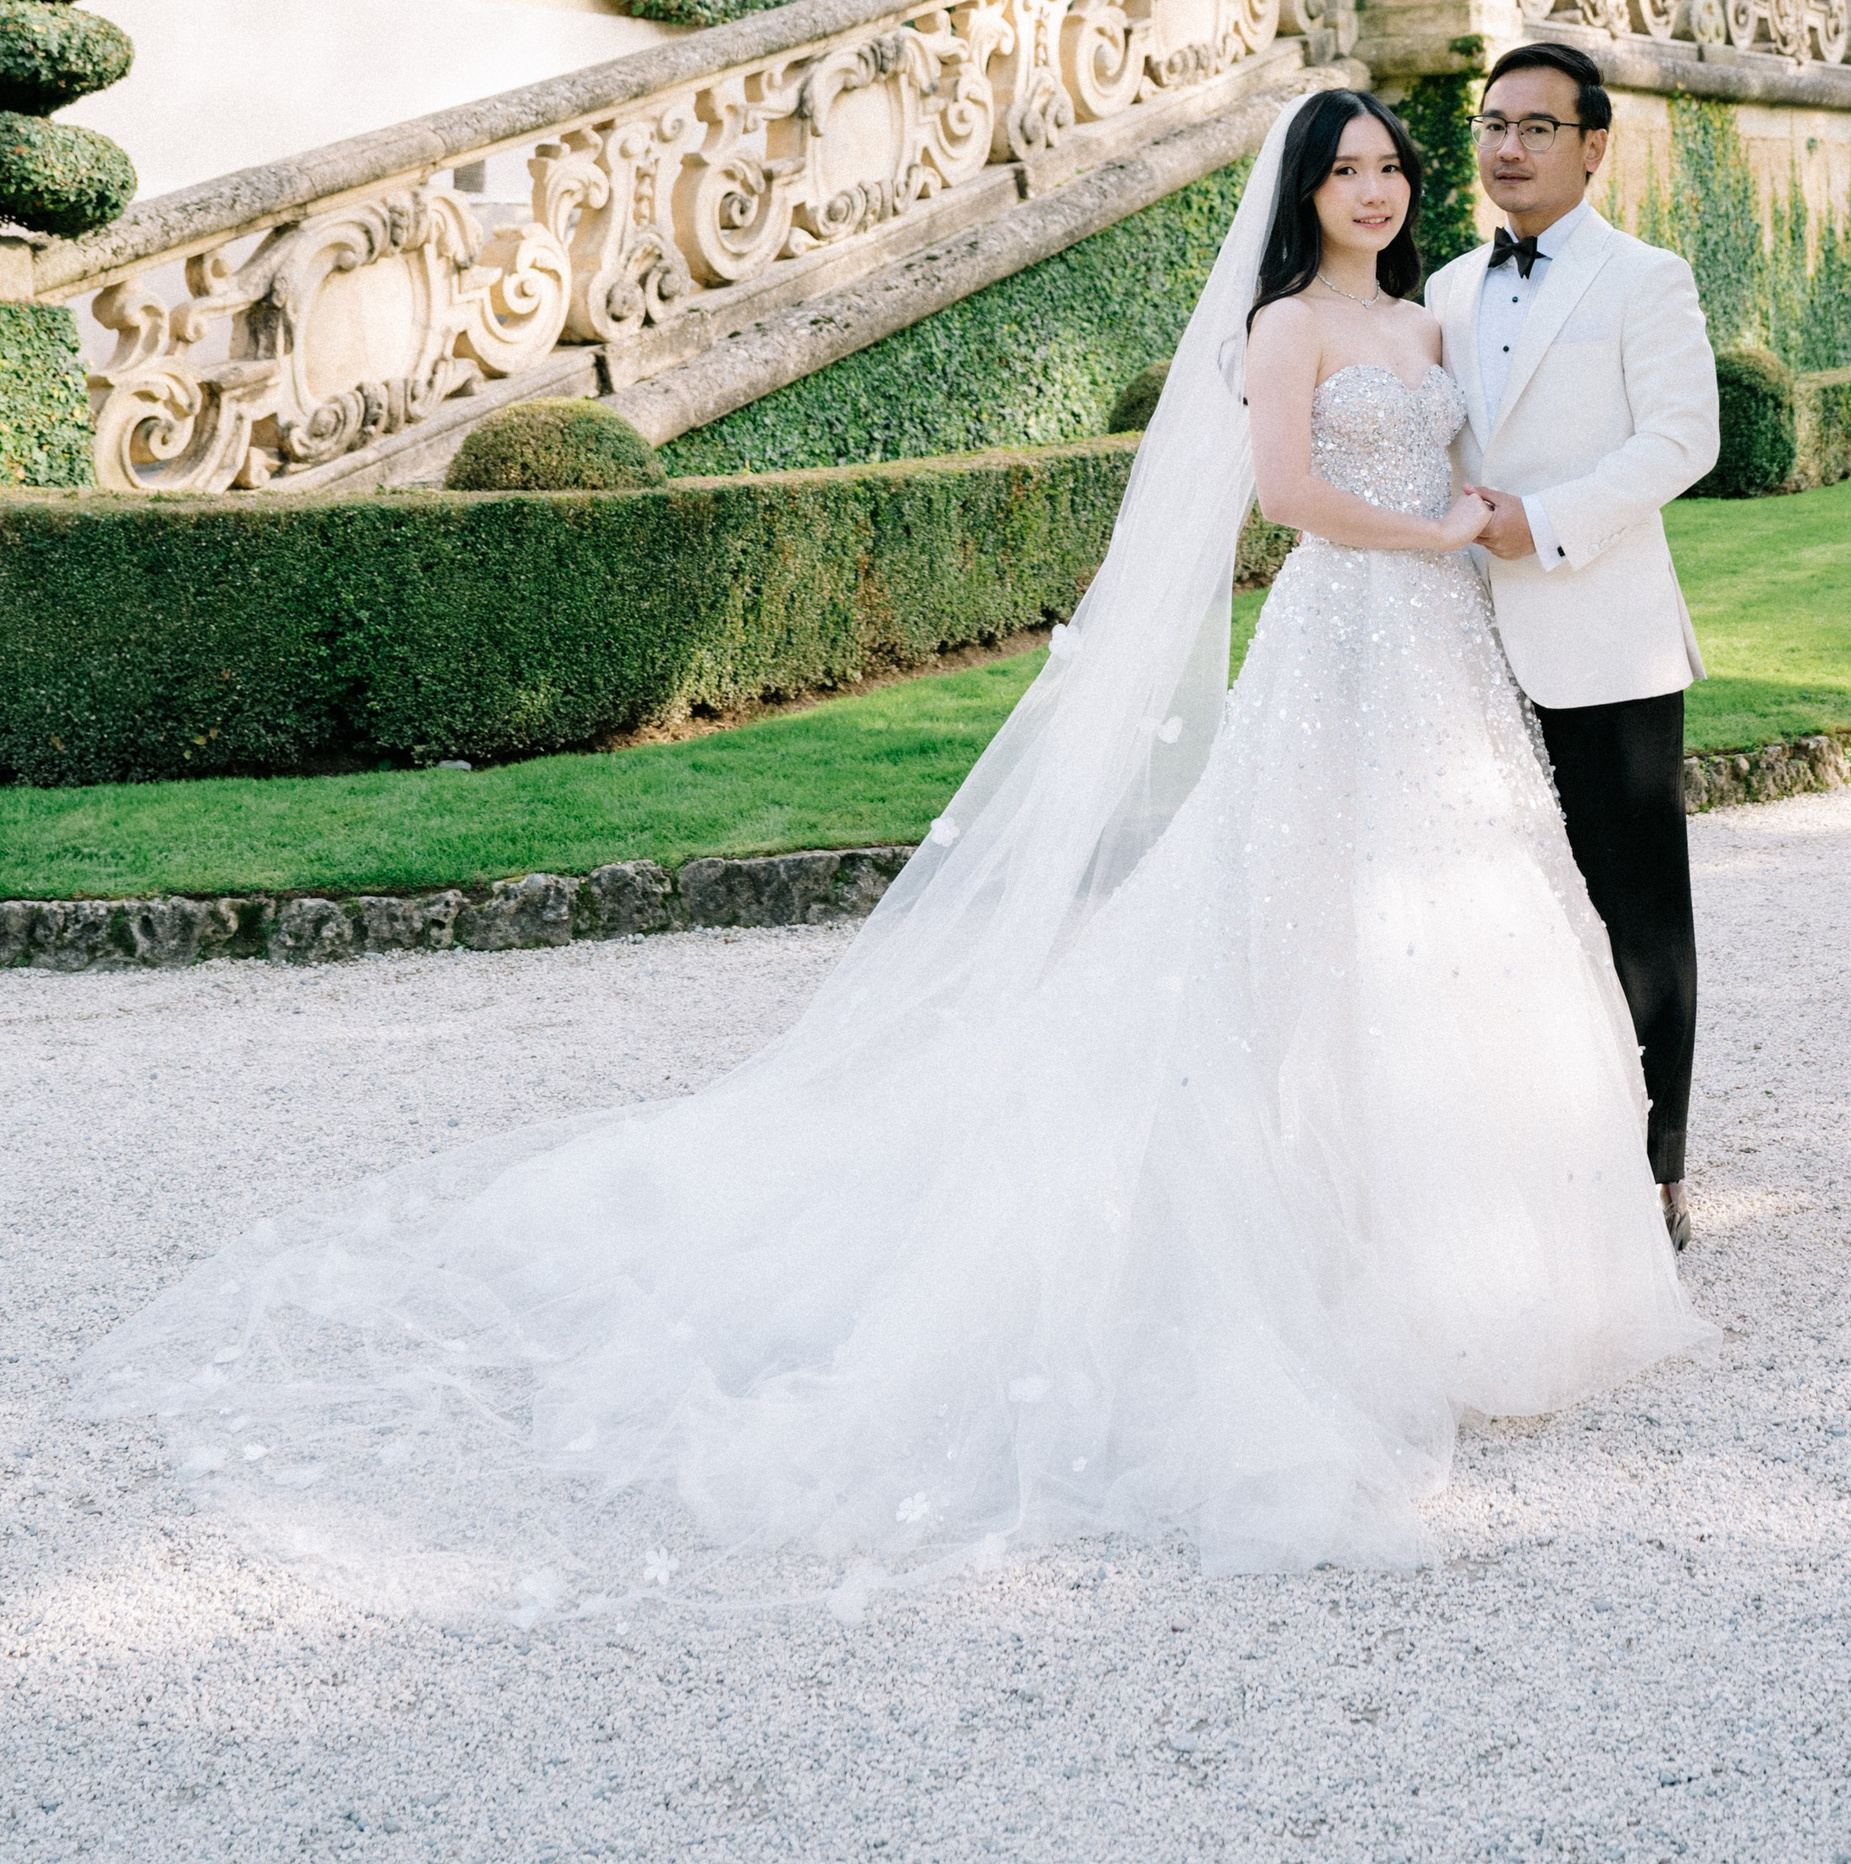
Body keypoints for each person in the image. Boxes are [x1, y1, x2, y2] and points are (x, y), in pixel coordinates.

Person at [83, 87, 1692, 1610]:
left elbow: (1473, 461)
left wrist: (1479, 524)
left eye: (1391, 166)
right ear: (1304, 191)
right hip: (1347, 628)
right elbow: (1290, 496)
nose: (1376, 189)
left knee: (1448, 925)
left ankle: (1463, 1255)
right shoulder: (1286, 328)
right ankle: (1297, 1233)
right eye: (1346, 170)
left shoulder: (1428, 320)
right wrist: (1433, 531)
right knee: (1282, 926)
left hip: (1439, 655)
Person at [1423, 42, 1721, 1249]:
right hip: (1460, 646)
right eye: (1493, 124)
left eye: (1536, 127)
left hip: (1605, 641)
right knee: (1488, 909)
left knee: (1636, 911)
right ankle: (1525, 1159)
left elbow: (1683, 439)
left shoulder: (1645, 278)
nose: (1508, 147)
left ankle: (1656, 1174)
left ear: (1593, 146)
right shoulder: (1445, 288)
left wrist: (1540, 522)